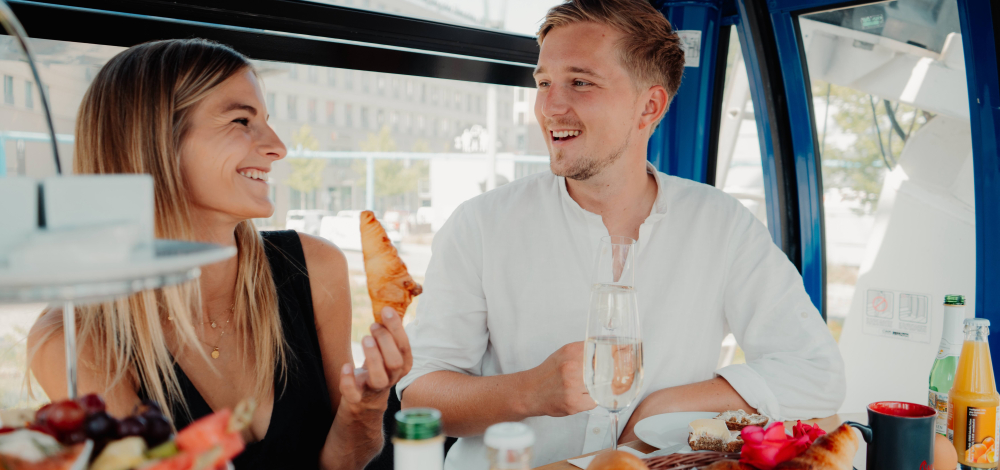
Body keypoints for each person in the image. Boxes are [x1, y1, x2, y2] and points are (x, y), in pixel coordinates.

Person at [397, 0, 846, 467]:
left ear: (649, 106)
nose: (550, 106)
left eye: (580, 82)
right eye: (544, 82)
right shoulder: (480, 225)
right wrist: (530, 391)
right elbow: (420, 398)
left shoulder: (723, 225)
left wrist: (665, 405)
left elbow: (816, 373)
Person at [27, 39, 411, 470]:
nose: (278, 147)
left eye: (266, 120)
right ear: (156, 143)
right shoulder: (76, 338)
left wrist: (368, 405)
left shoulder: (314, 266)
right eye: (242, 120)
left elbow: (343, 464)